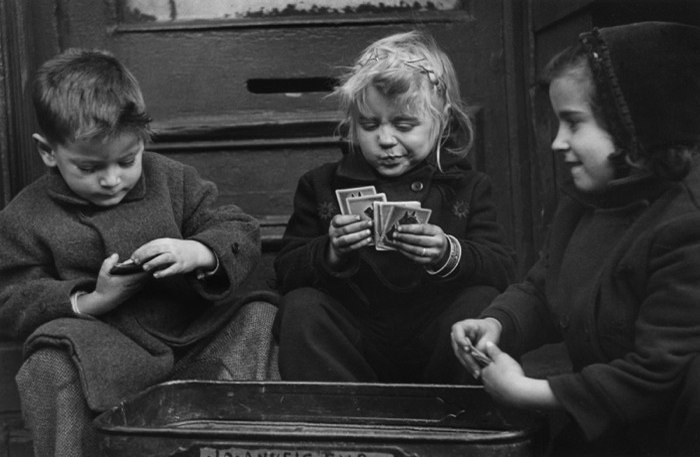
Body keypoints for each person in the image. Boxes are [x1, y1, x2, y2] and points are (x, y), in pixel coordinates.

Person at [0, 48, 278, 457]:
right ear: (48, 152)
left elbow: (239, 228)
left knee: (259, 316)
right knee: (49, 363)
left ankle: (239, 447)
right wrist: (89, 301)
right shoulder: (26, 214)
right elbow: (10, 296)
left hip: (191, 338)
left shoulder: (171, 178)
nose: (112, 180)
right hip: (99, 348)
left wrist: (198, 251)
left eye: (127, 161)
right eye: (89, 168)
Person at [451, 21, 700, 455]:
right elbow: (543, 287)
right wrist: (497, 323)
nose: (557, 143)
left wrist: (530, 391)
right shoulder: (586, 202)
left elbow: (659, 374)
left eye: (573, 123)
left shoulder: (684, 226)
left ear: (634, 130)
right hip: (603, 432)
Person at [274, 31, 515, 383]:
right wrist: (331, 253)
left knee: (483, 301)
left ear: (442, 120)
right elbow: (285, 271)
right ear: (351, 122)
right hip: (355, 342)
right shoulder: (321, 185)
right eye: (369, 125)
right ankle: (338, 421)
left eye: (404, 125)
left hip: (438, 340)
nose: (385, 140)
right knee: (301, 306)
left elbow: (503, 270)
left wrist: (448, 253)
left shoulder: (467, 186)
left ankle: (455, 419)